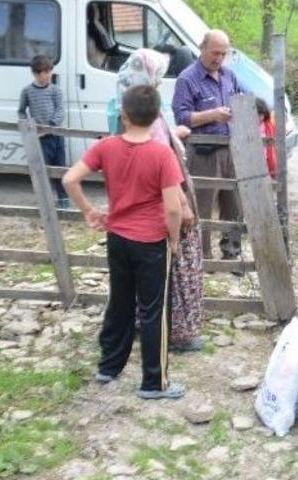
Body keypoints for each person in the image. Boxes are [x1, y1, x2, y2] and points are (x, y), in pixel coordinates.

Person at [62, 85, 186, 400]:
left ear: (124, 115)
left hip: (117, 238)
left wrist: (89, 211)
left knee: (119, 301)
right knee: (153, 310)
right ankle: (153, 383)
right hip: (151, 242)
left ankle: (109, 366)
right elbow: (173, 208)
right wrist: (173, 240)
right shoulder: (162, 154)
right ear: (159, 115)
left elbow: (69, 179)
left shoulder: (106, 146)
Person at [115, 48, 205, 353]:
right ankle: (177, 334)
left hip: (142, 204)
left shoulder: (134, 109)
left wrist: (175, 134)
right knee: (174, 266)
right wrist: (182, 206)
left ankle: (145, 325)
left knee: (150, 271)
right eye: (158, 73)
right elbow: (160, 167)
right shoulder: (149, 119)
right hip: (164, 202)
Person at [172, 29, 243, 260]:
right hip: (203, 152)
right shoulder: (187, 78)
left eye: (223, 54)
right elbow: (181, 117)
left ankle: (231, 253)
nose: (219, 58)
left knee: (233, 204)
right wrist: (212, 115)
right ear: (202, 48)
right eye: (215, 53)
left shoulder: (229, 76)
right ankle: (203, 257)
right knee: (201, 205)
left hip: (230, 148)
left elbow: (241, 101)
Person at [18, 55, 68, 209]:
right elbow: (21, 111)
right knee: (43, 171)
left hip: (56, 136)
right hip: (40, 138)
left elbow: (60, 111)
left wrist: (51, 125)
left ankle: (63, 199)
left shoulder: (55, 90)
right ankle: (45, 200)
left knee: (60, 169)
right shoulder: (27, 91)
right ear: (35, 74)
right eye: (41, 73)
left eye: (48, 72)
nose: (45, 76)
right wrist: (28, 125)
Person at [256, 98, 277, 179]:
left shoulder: (268, 126)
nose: (260, 117)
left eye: (262, 114)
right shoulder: (248, 127)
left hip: (266, 160)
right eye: (258, 114)